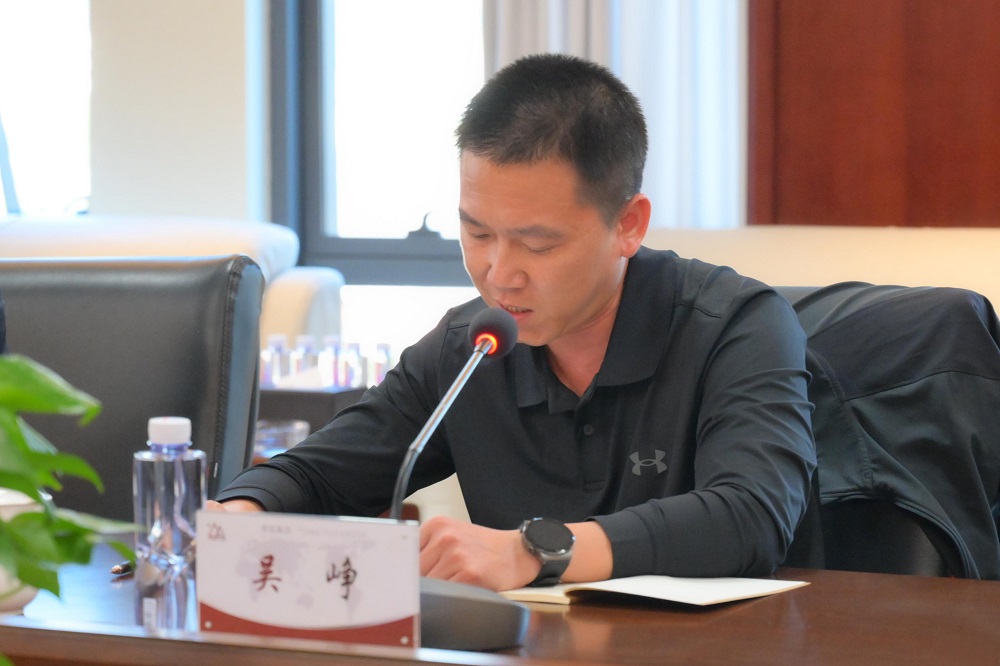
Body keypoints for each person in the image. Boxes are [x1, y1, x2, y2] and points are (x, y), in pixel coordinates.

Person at [212, 53, 816, 592]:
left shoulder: (738, 327)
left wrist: (531, 551)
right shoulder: (470, 346)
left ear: (628, 225)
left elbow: (751, 516)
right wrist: (236, 516)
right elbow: (320, 474)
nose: (500, 274)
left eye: (537, 244)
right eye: (477, 234)